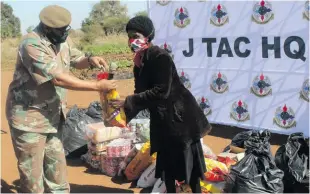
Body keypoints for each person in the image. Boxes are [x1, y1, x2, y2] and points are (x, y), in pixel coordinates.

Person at [5, 5, 117, 193]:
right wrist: (97, 87)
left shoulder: (62, 39)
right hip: (29, 120)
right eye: (61, 29)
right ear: (47, 28)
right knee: (33, 181)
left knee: (57, 175)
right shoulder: (31, 44)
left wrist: (90, 60)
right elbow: (58, 77)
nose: (65, 32)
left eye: (67, 28)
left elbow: (77, 59)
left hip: (53, 116)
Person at [111, 16, 212, 193]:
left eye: (136, 35)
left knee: (189, 168)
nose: (131, 40)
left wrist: (128, 100)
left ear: (148, 36)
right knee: (168, 166)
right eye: (129, 36)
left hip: (180, 118)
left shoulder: (160, 57)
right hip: (162, 120)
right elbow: (140, 93)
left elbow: (161, 91)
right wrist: (123, 114)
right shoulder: (139, 62)